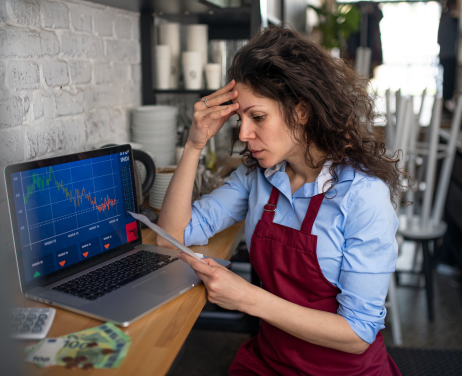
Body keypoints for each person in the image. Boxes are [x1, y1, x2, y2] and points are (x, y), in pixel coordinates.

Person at [157, 27, 402, 375]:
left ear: (301, 111)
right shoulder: (259, 176)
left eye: (257, 117)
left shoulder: (362, 195)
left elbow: (358, 333)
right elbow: (173, 233)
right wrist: (194, 145)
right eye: (240, 120)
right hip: (271, 360)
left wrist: (247, 298)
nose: (244, 134)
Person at [438, 0, 459, 109]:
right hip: (448, 55)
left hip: (445, 55)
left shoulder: (444, 17)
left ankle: (446, 103)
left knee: (447, 81)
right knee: (449, 81)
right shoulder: (450, 18)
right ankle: (447, 104)